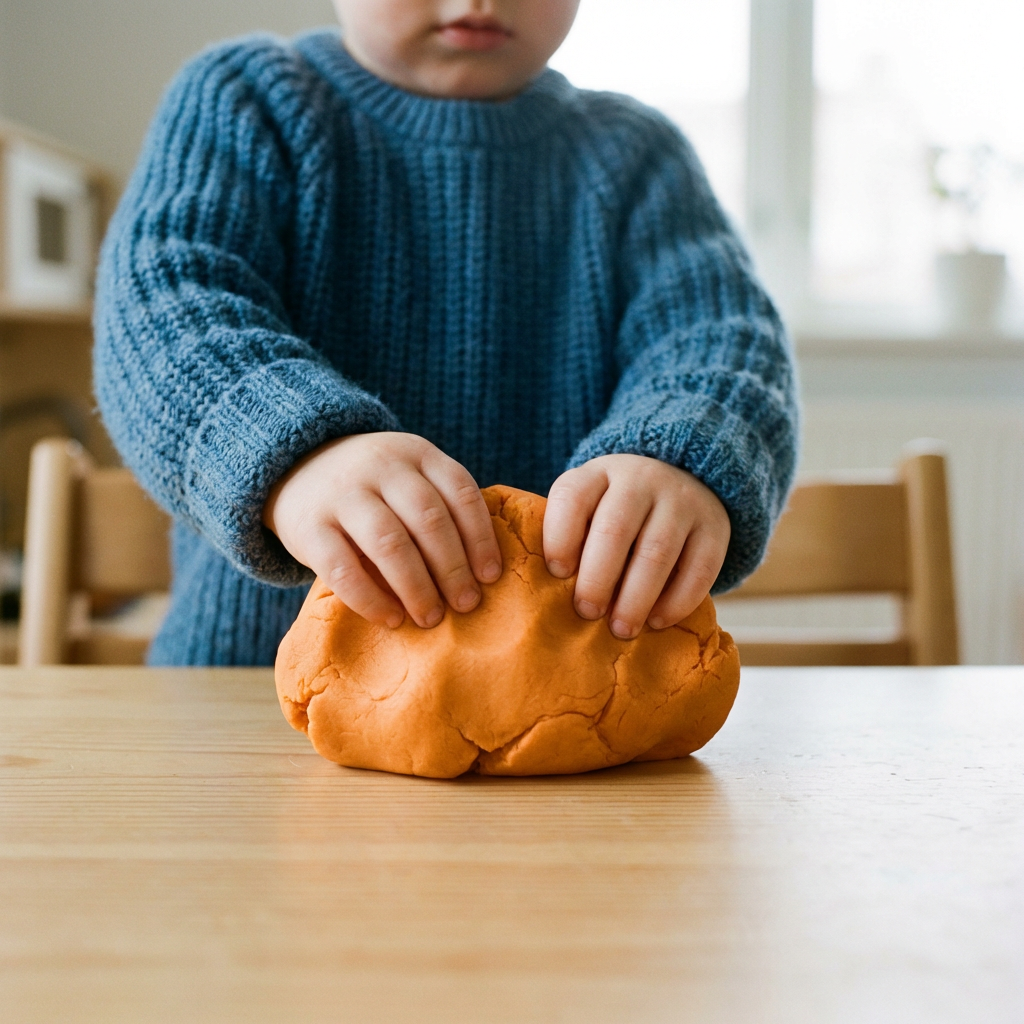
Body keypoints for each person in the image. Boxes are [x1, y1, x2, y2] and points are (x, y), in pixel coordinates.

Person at [94, 0, 799, 667]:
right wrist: (294, 454)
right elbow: (166, 302)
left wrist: (683, 455)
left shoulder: (638, 156)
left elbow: (719, 335)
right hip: (240, 707)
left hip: (568, 724)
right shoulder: (246, 99)